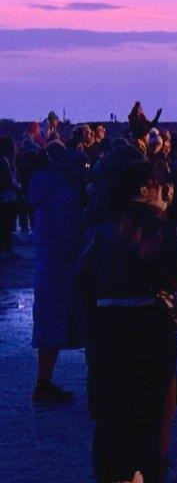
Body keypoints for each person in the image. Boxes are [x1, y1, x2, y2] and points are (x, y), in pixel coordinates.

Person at [78, 160, 177, 483]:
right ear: (144, 189)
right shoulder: (158, 228)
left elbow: (82, 279)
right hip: (149, 333)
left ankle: (115, 477)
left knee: (112, 417)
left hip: (106, 332)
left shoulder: (99, 229)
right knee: (151, 416)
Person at [29, 142, 88, 403]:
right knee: (58, 325)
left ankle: (44, 381)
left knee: (47, 328)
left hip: (47, 266)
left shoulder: (44, 191)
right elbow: (69, 236)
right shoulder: (64, 195)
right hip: (62, 268)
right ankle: (44, 385)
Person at [0, 137, 19, 255]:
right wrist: (18, 187)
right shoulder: (4, 161)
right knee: (7, 223)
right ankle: (6, 249)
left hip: (6, 195)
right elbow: (8, 180)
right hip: (7, 196)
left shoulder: (4, 160)